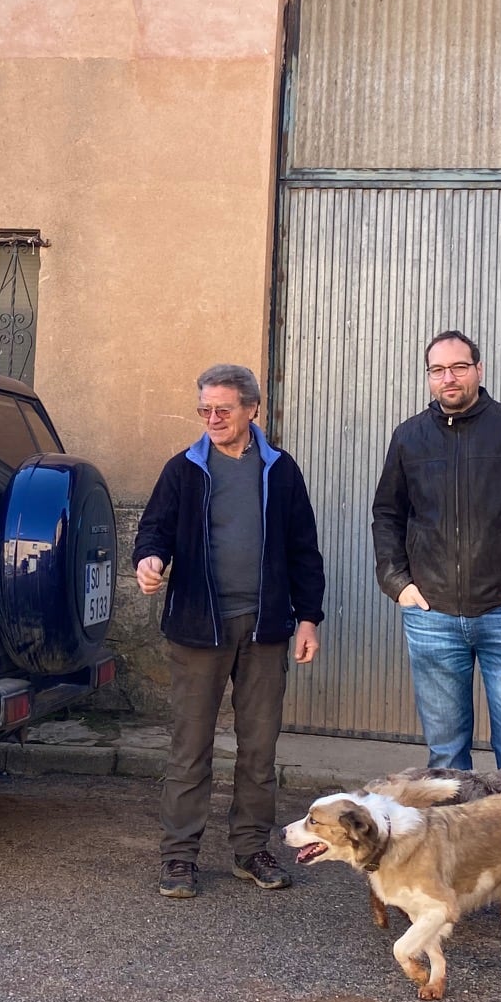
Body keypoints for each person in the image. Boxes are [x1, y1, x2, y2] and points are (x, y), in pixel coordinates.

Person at [135, 363, 325, 899]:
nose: (212, 419)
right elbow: (154, 529)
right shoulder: (184, 469)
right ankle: (179, 857)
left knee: (258, 748)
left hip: (265, 629)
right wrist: (149, 560)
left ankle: (250, 850)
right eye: (204, 410)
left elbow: (303, 551)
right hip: (199, 628)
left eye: (223, 409)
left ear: (251, 410)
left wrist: (308, 617)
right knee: (189, 747)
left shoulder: (281, 471)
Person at [371, 331, 501, 772]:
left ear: (479, 370)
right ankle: (456, 841)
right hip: (432, 616)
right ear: (428, 377)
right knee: (445, 757)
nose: (449, 378)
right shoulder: (408, 438)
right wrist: (399, 585)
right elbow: (387, 515)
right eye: (438, 370)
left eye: (459, 367)